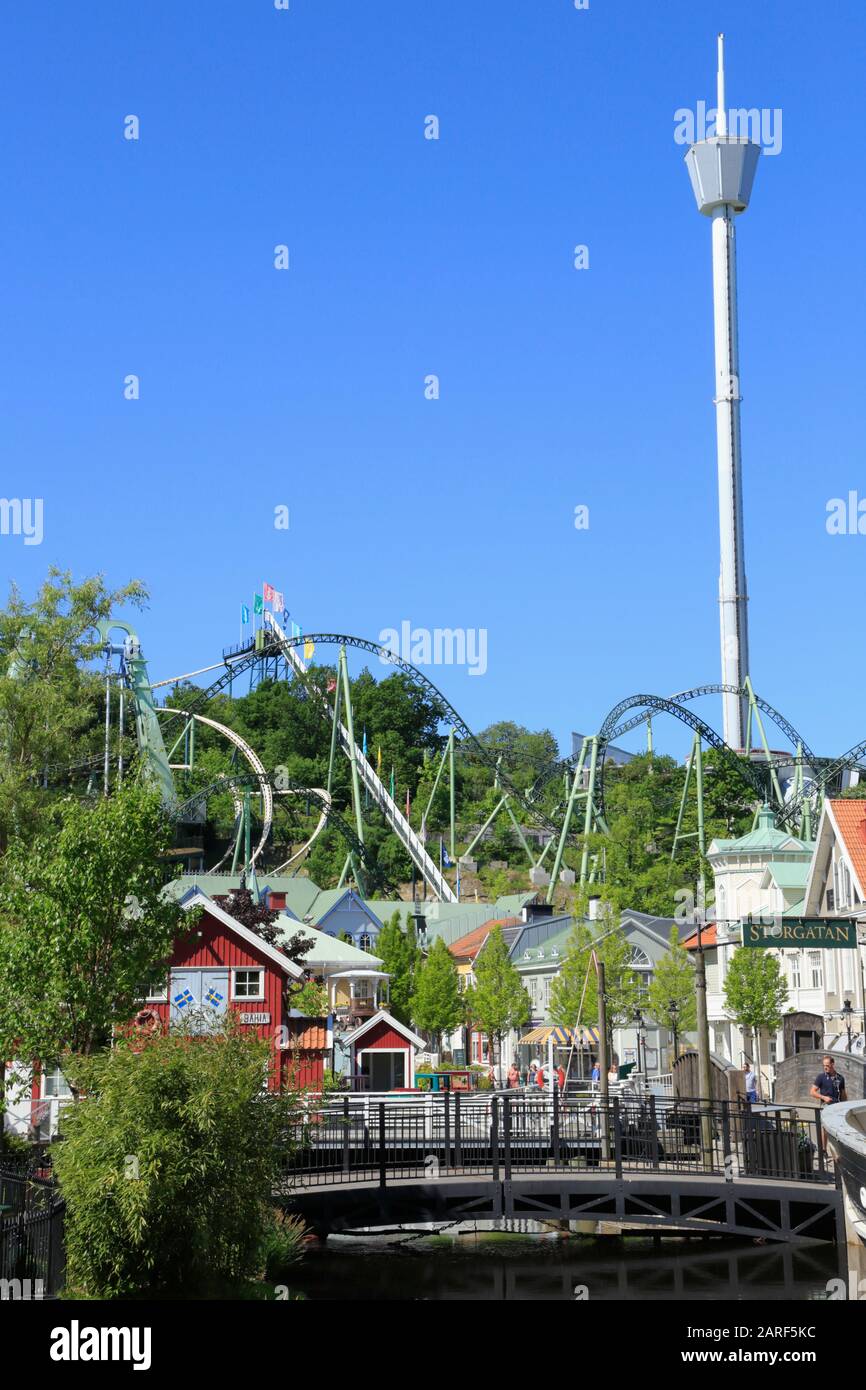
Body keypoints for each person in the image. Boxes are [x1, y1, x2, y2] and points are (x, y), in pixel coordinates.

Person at [810, 1055, 847, 1150]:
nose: (825, 1067)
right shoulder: (821, 1077)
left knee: (838, 1128)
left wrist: (845, 1106)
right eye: (824, 1065)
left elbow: (843, 1094)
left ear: (832, 1064)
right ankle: (824, 1150)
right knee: (825, 1128)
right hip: (826, 1106)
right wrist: (823, 1097)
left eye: (827, 1065)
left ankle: (838, 1151)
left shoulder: (840, 1078)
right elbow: (812, 1092)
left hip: (837, 1106)